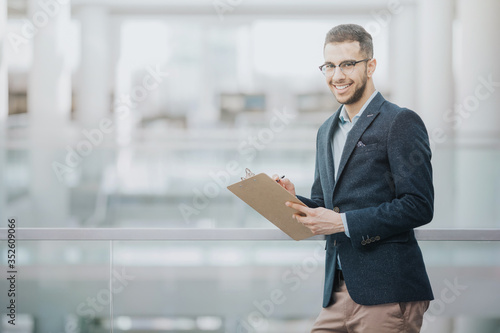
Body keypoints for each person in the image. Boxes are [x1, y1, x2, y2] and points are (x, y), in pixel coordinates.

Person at [274, 24, 434, 333]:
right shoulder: (325, 131)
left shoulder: (400, 121)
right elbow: (325, 206)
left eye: (348, 64)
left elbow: (418, 205)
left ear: (371, 65)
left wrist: (343, 223)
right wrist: (292, 198)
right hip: (337, 291)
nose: (338, 75)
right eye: (330, 66)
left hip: (388, 292)